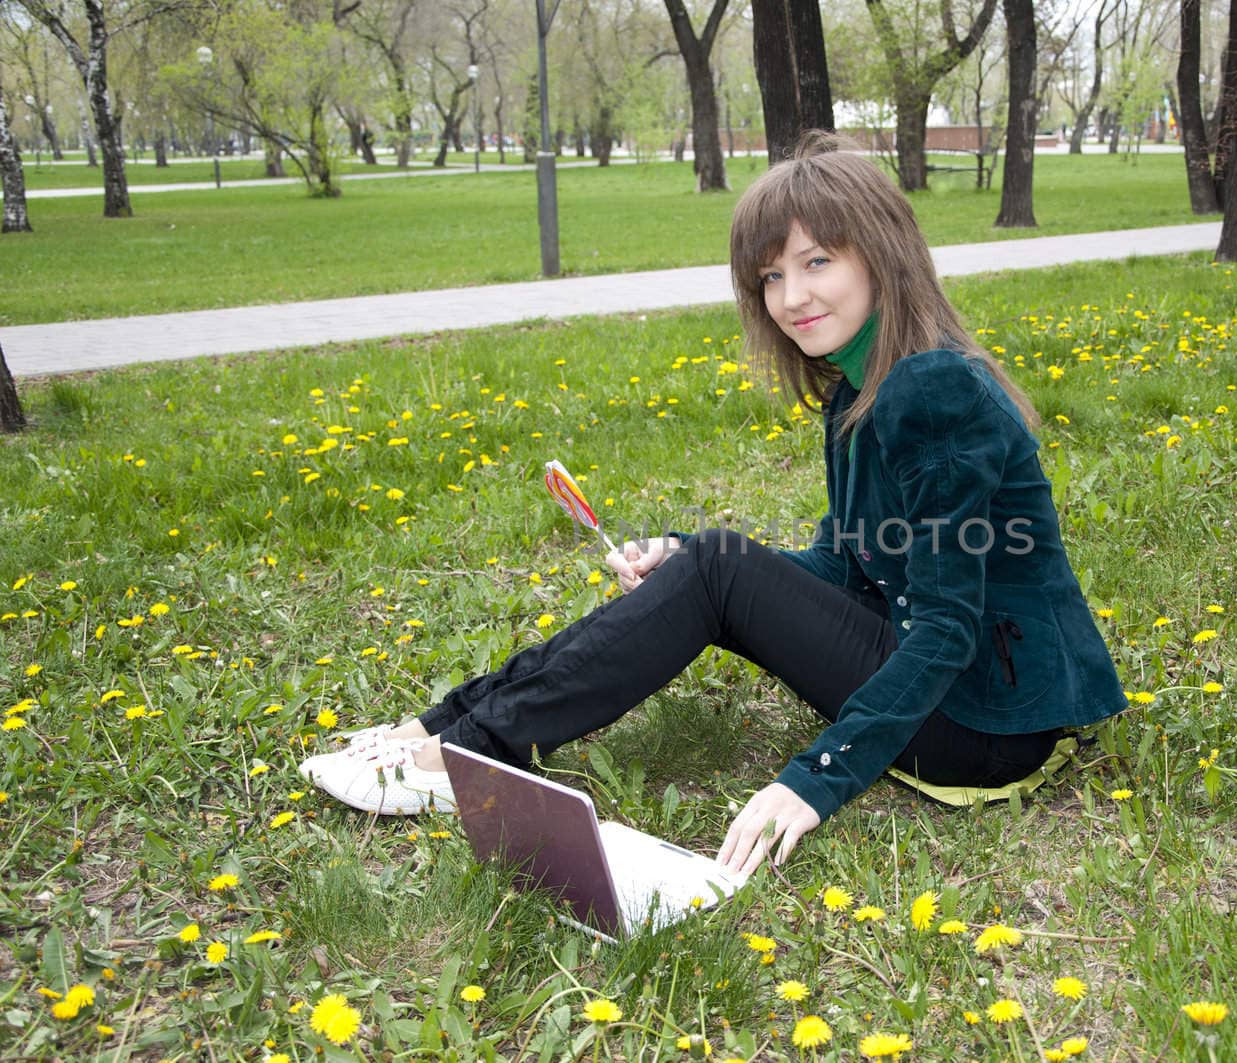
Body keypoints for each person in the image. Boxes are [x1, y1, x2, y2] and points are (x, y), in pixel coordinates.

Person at [297, 133, 1126, 876]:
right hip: (945, 688)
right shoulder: (859, 388)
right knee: (714, 563)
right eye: (771, 274)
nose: (791, 295)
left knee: (722, 566)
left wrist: (816, 778)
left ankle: (466, 755)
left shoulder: (934, 386)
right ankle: (442, 727)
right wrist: (686, 558)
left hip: (988, 722)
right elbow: (843, 565)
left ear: (881, 254)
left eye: (816, 262)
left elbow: (948, 626)